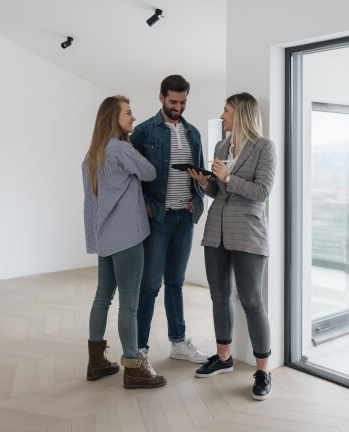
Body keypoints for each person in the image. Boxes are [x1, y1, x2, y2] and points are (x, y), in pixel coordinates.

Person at [187, 92, 275, 400]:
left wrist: (228, 176)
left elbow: (262, 191)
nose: (222, 116)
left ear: (241, 114)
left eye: (226, 111)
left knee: (252, 301)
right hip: (216, 232)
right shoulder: (221, 146)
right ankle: (223, 357)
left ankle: (263, 370)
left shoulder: (265, 147)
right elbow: (217, 190)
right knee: (219, 297)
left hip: (249, 233)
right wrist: (203, 181)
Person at [82, 95, 166, 389]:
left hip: (105, 238)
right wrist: (133, 150)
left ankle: (96, 361)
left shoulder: (92, 154)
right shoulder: (119, 149)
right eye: (128, 113)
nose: (133, 117)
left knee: (102, 298)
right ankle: (133, 366)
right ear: (113, 118)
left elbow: (92, 203)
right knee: (129, 305)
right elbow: (150, 172)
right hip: (128, 238)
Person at [130, 75, 209, 364]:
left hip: (184, 219)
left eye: (183, 101)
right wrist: (146, 207)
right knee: (150, 285)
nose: (178, 107)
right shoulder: (143, 132)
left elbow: (198, 174)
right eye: (173, 101)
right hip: (158, 220)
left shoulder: (193, 133)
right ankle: (139, 350)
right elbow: (131, 176)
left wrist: (198, 191)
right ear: (161, 97)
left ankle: (178, 343)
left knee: (176, 282)